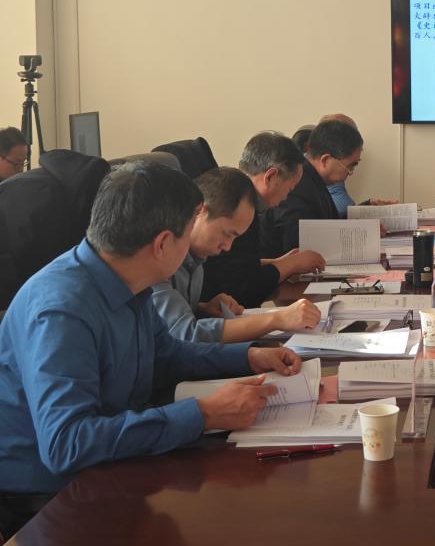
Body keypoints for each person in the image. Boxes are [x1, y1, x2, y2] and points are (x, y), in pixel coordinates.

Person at [0, 161, 298, 527]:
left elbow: (167, 354)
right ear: (162, 243)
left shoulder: (127, 280)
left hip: (112, 458)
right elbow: (67, 443)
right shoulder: (62, 310)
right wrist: (204, 414)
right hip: (52, 500)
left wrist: (249, 357)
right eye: (188, 233)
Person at [150, 166, 321, 342]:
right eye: (227, 234)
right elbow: (185, 335)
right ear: (200, 211)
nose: (227, 247)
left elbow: (165, 320)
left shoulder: (197, 258)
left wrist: (202, 308)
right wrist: (277, 319)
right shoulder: (159, 258)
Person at [201, 132, 325, 307]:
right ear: (271, 177)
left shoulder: (247, 203)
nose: (286, 197)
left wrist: (279, 263)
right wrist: (290, 264)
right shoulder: (236, 210)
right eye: (290, 189)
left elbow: (241, 265)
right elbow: (239, 286)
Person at [260, 119, 361, 255]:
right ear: (325, 160)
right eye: (350, 166)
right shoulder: (296, 183)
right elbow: (297, 246)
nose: (350, 172)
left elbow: (326, 224)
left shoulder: (314, 177)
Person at [318, 113, 397, 217]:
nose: (350, 173)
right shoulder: (303, 181)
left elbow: (331, 217)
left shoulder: (330, 171)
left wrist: (366, 207)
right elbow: (336, 214)